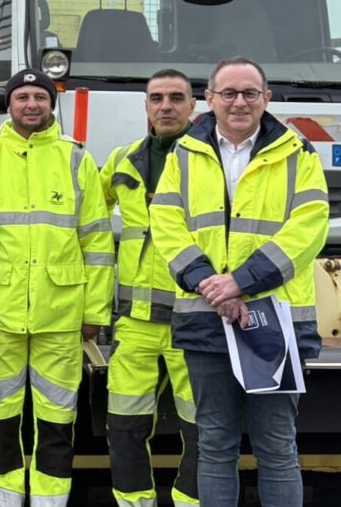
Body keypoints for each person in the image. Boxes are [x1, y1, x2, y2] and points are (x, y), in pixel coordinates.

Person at [152, 57, 329, 507]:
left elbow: (309, 227)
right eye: (228, 93)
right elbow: (167, 223)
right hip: (206, 317)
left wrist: (241, 284)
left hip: (274, 320)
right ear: (208, 100)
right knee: (214, 444)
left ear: (267, 99)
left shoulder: (298, 153)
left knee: (276, 447)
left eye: (250, 92)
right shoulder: (183, 154)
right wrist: (210, 283)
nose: (239, 102)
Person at [0, 69, 114, 507]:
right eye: (22, 97)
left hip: (61, 313)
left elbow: (98, 242)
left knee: (56, 422)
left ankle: (51, 501)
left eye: (39, 97)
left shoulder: (76, 159)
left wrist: (95, 313)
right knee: (0, 419)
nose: (31, 104)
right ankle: (3, 500)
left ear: (52, 104)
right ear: (8, 104)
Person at [102, 69, 201, 507]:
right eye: (156, 98)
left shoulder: (213, 160)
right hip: (136, 324)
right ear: (145, 106)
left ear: (193, 105)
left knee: (202, 430)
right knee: (124, 427)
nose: (166, 106)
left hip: (196, 320)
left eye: (176, 97)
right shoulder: (123, 159)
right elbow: (87, 214)